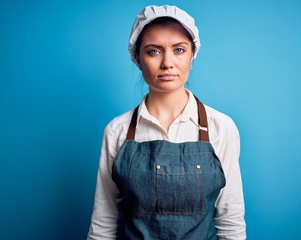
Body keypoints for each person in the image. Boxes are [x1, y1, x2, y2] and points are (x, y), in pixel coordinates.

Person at [87, 5, 246, 240]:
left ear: (193, 55)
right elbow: (105, 219)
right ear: (137, 58)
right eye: (153, 51)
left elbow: (229, 217)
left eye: (179, 50)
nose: (167, 63)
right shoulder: (117, 131)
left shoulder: (221, 127)